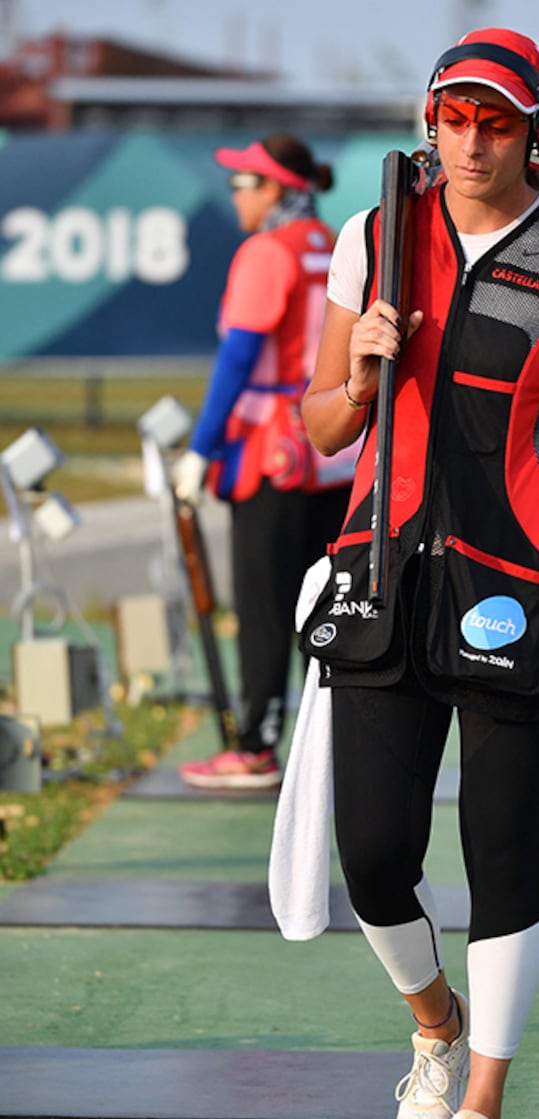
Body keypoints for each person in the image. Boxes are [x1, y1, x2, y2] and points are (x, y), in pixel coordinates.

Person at [300, 27, 539, 1119]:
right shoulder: (371, 239)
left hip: (524, 594)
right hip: (385, 583)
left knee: (500, 859)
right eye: (451, 116)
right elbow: (318, 429)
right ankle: (433, 1030)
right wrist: (355, 370)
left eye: (493, 120)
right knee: (373, 861)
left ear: (536, 129)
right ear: (426, 120)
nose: (467, 140)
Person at [174, 134, 353, 791]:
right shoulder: (334, 243)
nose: (236, 196)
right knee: (328, 607)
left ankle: (254, 745)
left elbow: (238, 358)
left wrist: (201, 447)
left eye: (245, 184)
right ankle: (328, 749)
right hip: (336, 452)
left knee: (266, 603)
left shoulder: (264, 252)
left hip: (274, 452)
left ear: (276, 189)